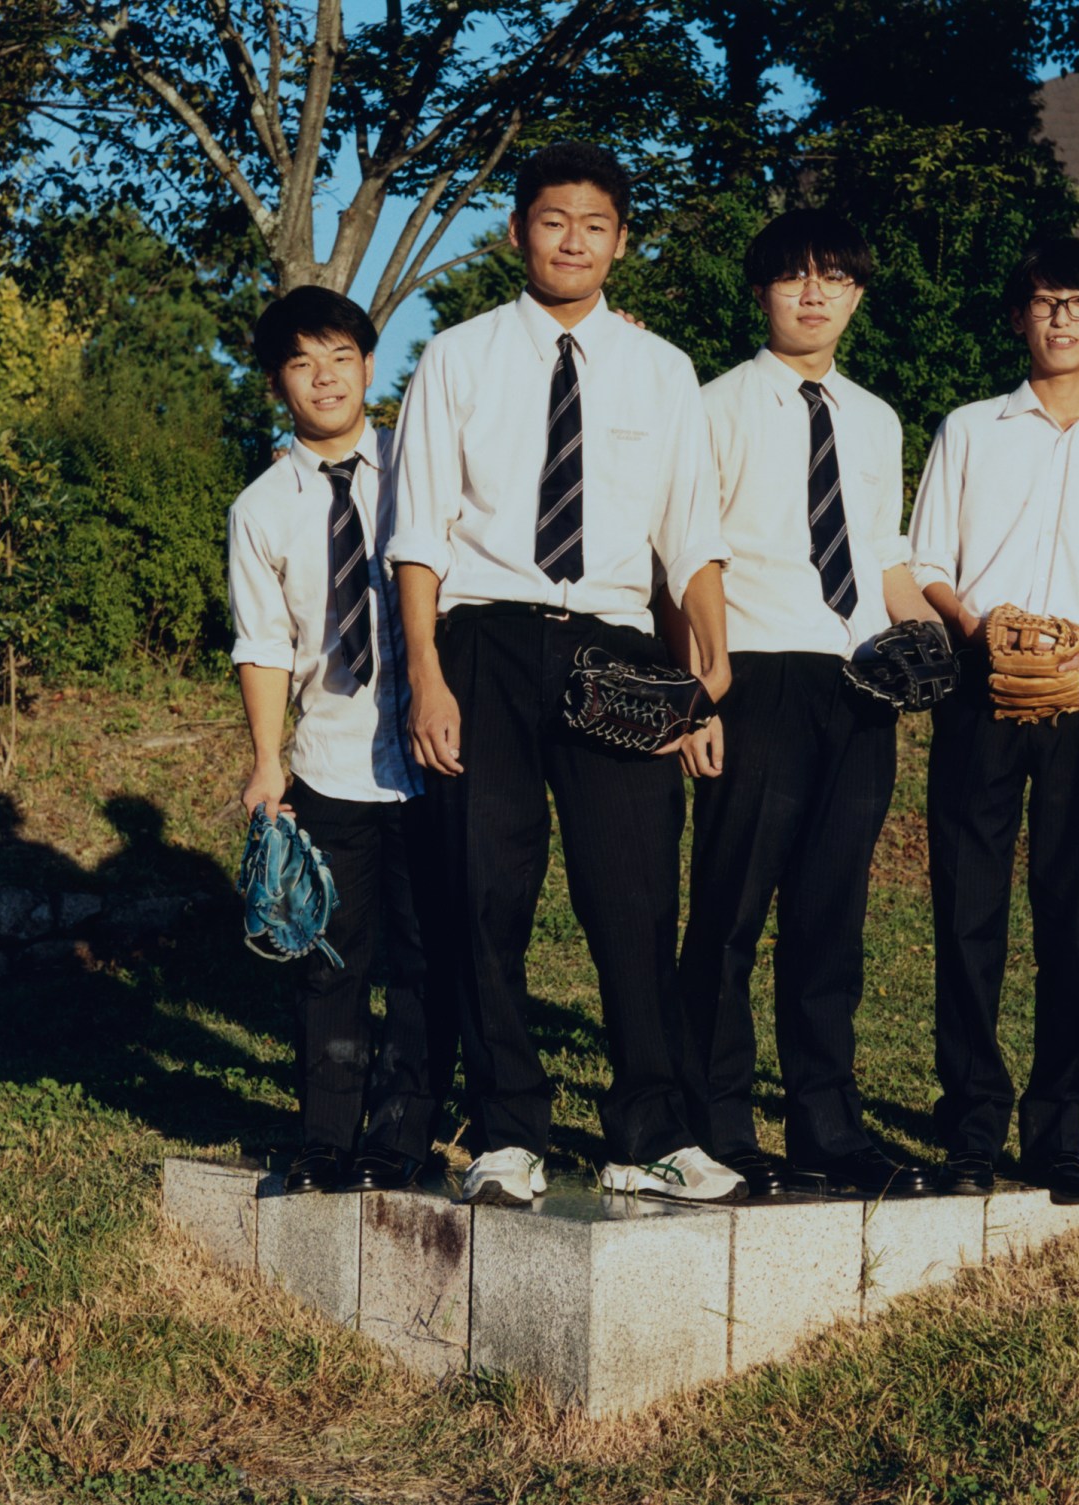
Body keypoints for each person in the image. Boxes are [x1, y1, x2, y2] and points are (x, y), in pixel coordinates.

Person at [389, 141, 744, 1207]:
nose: (573, 239)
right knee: (484, 890)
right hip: (483, 643)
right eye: (553, 221)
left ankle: (649, 1131)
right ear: (517, 233)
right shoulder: (455, 358)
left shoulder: (661, 368)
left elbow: (689, 537)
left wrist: (705, 676)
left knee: (631, 895)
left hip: (617, 649)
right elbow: (415, 531)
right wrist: (424, 675)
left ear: (619, 241)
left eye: (594, 224)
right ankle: (507, 1132)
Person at [907, 236, 1079, 1205]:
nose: (1060, 318)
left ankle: (1057, 1132)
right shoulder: (969, 429)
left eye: (1078, 302)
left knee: (1070, 917)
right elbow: (924, 561)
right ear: (1018, 316)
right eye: (1041, 301)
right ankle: (969, 1127)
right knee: (966, 911)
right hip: (980, 689)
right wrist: (977, 629)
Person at [675, 209, 938, 1200]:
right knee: (730, 910)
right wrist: (694, 695)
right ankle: (718, 1126)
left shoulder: (874, 418)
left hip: (855, 680)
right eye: (794, 277)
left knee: (832, 915)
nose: (814, 293)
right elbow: (684, 556)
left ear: (857, 295)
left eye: (834, 277)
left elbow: (879, 554)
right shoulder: (712, 407)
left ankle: (827, 1127)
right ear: (763, 291)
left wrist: (930, 641)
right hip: (753, 671)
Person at [227, 286, 454, 1194]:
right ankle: (324, 1136)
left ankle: (403, 1134)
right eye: (300, 362)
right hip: (329, 757)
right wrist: (264, 758)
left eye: (341, 356)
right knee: (329, 955)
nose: (324, 377)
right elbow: (263, 642)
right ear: (279, 382)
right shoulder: (262, 507)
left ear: (369, 363)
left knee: (425, 954)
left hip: (438, 754)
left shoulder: (421, 467)